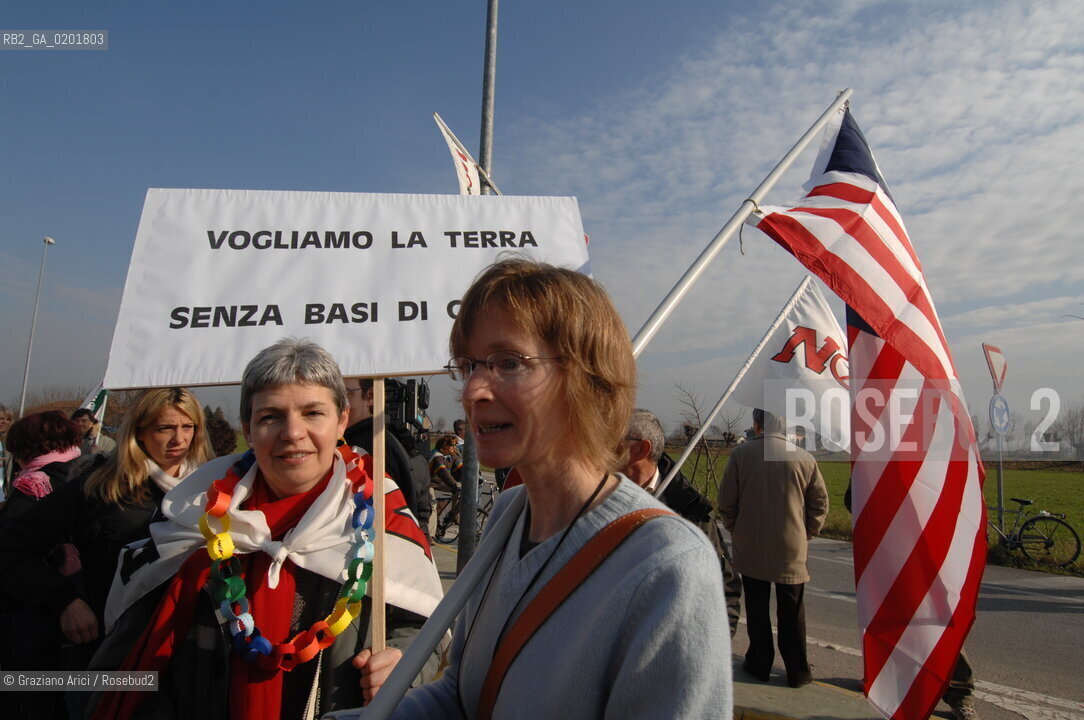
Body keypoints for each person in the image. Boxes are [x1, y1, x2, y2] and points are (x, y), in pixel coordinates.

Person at [387, 258, 731, 719]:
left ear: (586, 380)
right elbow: (461, 695)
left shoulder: (668, 566)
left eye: (509, 363)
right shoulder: (509, 514)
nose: (472, 391)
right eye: (468, 365)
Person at [90, 339, 444, 719]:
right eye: (271, 417)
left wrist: (404, 661)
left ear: (341, 420)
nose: (292, 432)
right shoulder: (188, 515)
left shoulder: (381, 514)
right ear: (248, 428)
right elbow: (131, 662)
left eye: (313, 413)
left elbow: (423, 624)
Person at [0, 388, 213, 719]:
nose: (179, 439)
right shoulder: (100, 486)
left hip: (192, 660)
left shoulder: (215, 486)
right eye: (165, 428)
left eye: (188, 427)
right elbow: (11, 547)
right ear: (139, 432)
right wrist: (63, 601)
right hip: (110, 658)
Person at [844, 480, 978, 719]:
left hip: (927, 552)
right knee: (888, 622)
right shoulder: (876, 464)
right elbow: (852, 498)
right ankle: (884, 682)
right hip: (888, 551)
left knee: (937, 622)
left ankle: (960, 695)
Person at [718, 408, 828, 688]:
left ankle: (759, 662)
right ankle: (797, 670)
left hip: (750, 544)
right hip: (791, 547)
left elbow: (726, 502)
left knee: (756, 607)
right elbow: (819, 504)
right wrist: (807, 532)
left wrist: (736, 529)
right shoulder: (804, 458)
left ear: (757, 424)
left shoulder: (740, 455)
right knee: (792, 610)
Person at [622, 408, 742, 637]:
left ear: (641, 449)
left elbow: (724, 588)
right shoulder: (594, 500)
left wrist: (713, 644)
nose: (601, 449)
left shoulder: (690, 511)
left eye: (612, 441)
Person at [0, 410, 88, 719]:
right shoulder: (91, 472)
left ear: (24, 448)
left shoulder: (33, 484)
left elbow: (10, 550)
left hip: (36, 611)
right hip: (87, 603)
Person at [343, 377, 425, 524]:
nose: (336, 402)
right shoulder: (372, 439)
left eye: (345, 393)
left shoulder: (374, 446)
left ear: (370, 396)